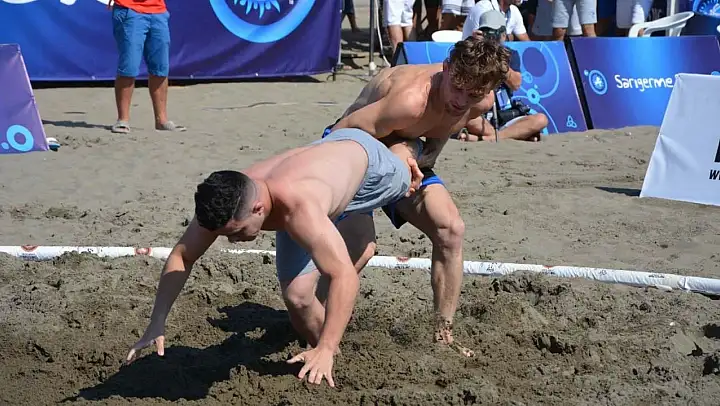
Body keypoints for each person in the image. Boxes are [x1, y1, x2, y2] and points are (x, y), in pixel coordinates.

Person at [125, 129, 424, 387]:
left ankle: (406, 147)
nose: (233, 241)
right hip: (323, 173)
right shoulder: (229, 200)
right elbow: (183, 255)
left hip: (368, 163)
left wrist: (327, 347)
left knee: (406, 176)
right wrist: (157, 320)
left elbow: (343, 275)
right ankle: (326, 354)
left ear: (258, 209)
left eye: (237, 232)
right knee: (297, 297)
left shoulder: (298, 209)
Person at [323, 36, 513, 358]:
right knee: (361, 247)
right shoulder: (410, 100)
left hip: (408, 154)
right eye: (457, 88)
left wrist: (420, 153)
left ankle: (443, 336)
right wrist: (398, 156)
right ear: (446, 69)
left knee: (451, 230)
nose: (461, 100)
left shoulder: (479, 101)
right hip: (352, 149)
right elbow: (342, 132)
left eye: (472, 94)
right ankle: (315, 323)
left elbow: (443, 128)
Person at [456, 10, 548, 142]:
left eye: (493, 33)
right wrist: (473, 47)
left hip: (505, 115)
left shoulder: (510, 54)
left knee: (540, 119)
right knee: (464, 116)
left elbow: (516, 84)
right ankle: (508, 135)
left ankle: (486, 138)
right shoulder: (470, 53)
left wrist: (497, 60)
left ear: (503, 35)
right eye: (486, 33)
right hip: (480, 115)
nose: (490, 38)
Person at [109, 0, 185, 134]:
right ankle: (123, 119)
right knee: (129, 67)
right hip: (129, 9)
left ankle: (161, 121)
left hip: (158, 11)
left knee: (160, 68)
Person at [462, 0, 532, 41]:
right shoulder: (483, 8)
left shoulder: (514, 10)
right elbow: (481, 42)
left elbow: (526, 40)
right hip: (475, 56)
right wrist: (509, 37)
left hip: (496, 55)